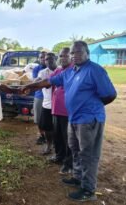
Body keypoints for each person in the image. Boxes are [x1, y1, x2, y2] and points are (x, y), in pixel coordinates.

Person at [22, 41, 117, 201]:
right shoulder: (70, 71)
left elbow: (110, 95)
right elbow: (49, 81)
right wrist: (31, 87)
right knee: (75, 149)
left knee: (88, 154)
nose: (74, 55)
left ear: (87, 53)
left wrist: (90, 106)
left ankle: (88, 190)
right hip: (73, 118)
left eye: (78, 52)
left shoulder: (95, 70)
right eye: (72, 53)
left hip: (89, 119)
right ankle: (78, 177)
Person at [49, 48, 73, 174]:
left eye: (65, 56)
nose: (63, 58)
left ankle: (69, 164)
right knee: (57, 135)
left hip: (67, 111)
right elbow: (47, 81)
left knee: (68, 138)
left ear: (71, 56)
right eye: (61, 56)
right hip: (56, 109)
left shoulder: (74, 70)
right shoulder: (58, 70)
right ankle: (59, 157)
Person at [36, 53, 57, 155]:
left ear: (55, 59)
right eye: (46, 60)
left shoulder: (61, 71)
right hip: (47, 104)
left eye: (50, 59)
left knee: (60, 128)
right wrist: (30, 86)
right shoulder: (43, 72)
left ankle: (59, 147)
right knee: (47, 127)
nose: (48, 61)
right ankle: (49, 145)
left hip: (60, 105)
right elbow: (38, 81)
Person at [32, 51, 47, 144]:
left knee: (51, 119)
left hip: (51, 98)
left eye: (45, 58)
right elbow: (35, 82)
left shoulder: (54, 69)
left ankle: (51, 137)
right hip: (39, 96)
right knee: (38, 118)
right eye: (41, 57)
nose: (43, 59)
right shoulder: (36, 69)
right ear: (39, 58)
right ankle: (42, 135)